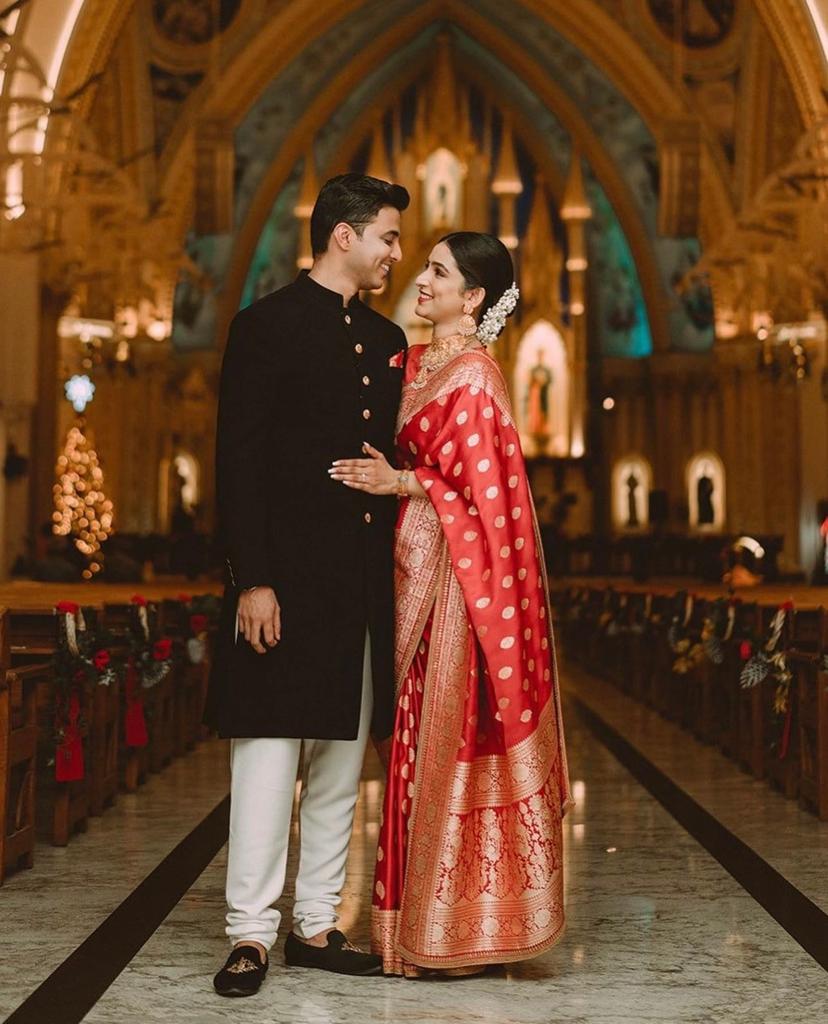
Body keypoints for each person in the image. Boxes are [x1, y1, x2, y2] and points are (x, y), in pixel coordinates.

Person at [330, 232, 572, 977]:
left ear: (473, 298)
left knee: (447, 740)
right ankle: (410, 926)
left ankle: (460, 932)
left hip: (461, 596)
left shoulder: (475, 378)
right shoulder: (415, 364)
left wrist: (405, 485)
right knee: (407, 747)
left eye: (438, 271)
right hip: (409, 573)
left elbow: (487, 502)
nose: (420, 279)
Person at [205, 173, 410, 997]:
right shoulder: (265, 326)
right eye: (389, 237)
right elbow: (239, 461)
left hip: (358, 587)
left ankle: (316, 923)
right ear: (344, 236)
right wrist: (253, 579)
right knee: (266, 760)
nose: (397, 253)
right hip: (283, 584)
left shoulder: (390, 335)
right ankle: (250, 934)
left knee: (337, 763)